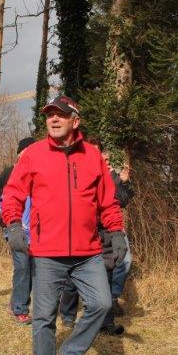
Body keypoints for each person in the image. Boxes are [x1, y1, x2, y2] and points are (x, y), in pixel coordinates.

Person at [2, 94, 127, 355]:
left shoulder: (92, 156)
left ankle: (69, 354)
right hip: (47, 252)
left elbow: (107, 201)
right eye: (49, 115)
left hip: (88, 252)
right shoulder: (34, 154)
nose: (54, 119)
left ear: (75, 121)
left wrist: (116, 231)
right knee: (44, 317)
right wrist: (14, 224)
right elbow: (13, 193)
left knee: (101, 303)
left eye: (60, 114)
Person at [60, 136, 135, 334]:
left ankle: (106, 323)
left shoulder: (110, 176)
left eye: (97, 151)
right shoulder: (74, 171)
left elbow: (120, 201)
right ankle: (67, 314)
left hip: (106, 233)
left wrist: (123, 183)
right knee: (74, 278)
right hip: (82, 233)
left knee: (107, 274)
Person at [0, 137, 36, 325]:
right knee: (23, 267)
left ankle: (15, 303)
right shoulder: (9, 173)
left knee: (32, 270)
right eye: (28, 151)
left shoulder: (40, 174)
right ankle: (20, 309)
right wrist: (10, 224)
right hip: (16, 230)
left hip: (37, 232)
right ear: (19, 153)